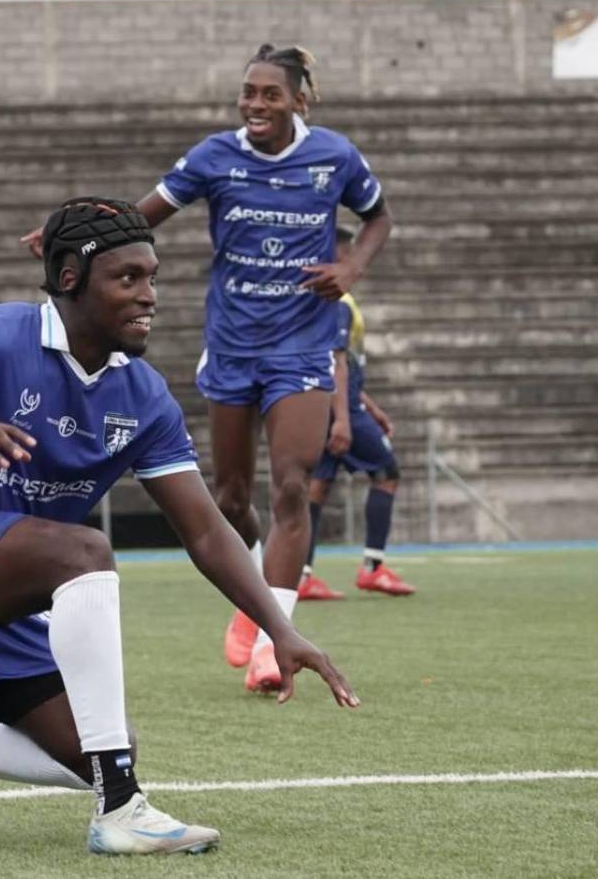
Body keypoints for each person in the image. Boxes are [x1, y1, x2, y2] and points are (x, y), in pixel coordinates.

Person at [0, 197, 359, 856]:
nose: (148, 295)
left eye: (152, 277)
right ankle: (122, 811)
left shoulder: (144, 397)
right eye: (128, 277)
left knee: (102, 751)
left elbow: (206, 532)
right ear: (71, 277)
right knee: (83, 553)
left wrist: (279, 628)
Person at [23, 44, 392, 693]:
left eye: (270, 94)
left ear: (298, 100)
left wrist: (351, 267)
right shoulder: (214, 157)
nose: (255, 104)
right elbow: (141, 217)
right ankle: (255, 587)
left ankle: (273, 641)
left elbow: (378, 218)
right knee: (230, 498)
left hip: (303, 344)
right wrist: (70, 237)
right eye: (248, 92)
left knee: (291, 484)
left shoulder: (335, 156)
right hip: (231, 346)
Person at [297, 226, 415, 601]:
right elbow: (336, 362)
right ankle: (373, 568)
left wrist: (371, 407)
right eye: (348, 251)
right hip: (340, 408)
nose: (353, 259)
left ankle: (301, 575)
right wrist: (346, 419)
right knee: (386, 474)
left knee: (317, 487)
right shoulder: (340, 302)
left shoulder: (317, 298)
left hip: (324, 402)